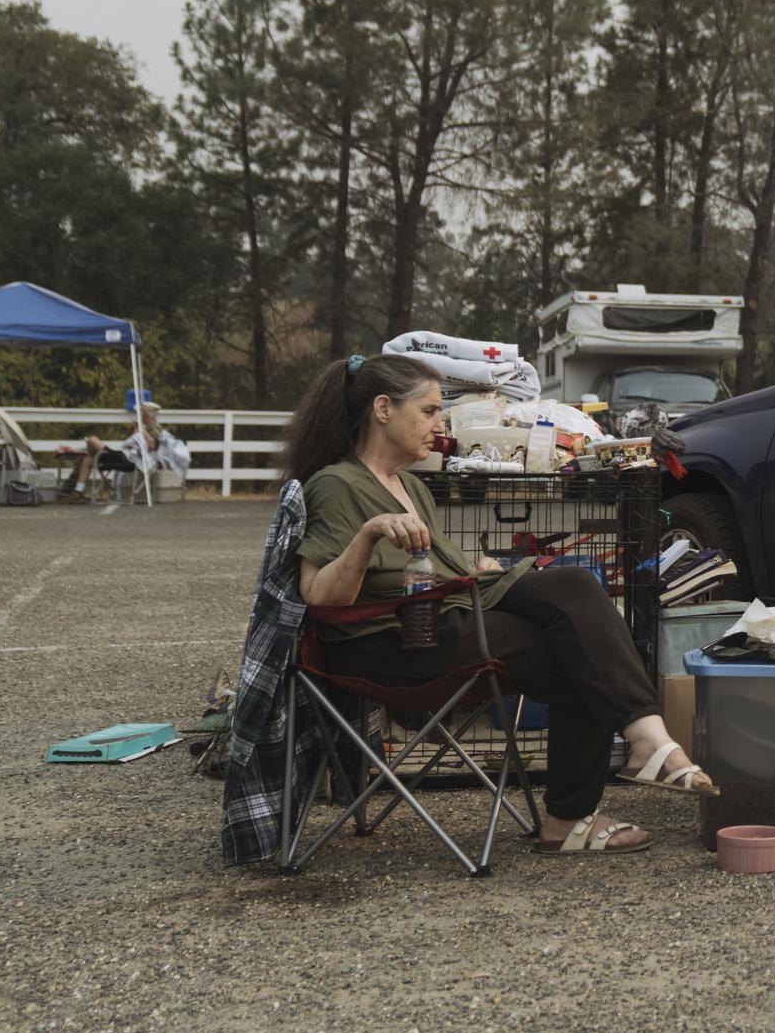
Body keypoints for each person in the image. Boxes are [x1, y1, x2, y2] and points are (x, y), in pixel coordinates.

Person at [284, 352, 715, 855]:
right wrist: (366, 537)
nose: (438, 423)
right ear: (383, 409)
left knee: (580, 634)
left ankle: (584, 806)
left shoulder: (411, 487)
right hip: (387, 643)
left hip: (442, 620)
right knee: (578, 613)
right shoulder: (335, 484)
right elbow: (317, 599)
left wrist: (477, 572)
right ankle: (637, 753)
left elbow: (438, 573)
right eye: (427, 411)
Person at [62, 402, 189, 498]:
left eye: (141, 411)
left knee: (92, 440)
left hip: (128, 459)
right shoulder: (145, 426)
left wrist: (142, 432)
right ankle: (78, 491)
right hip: (124, 457)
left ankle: (78, 466)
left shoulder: (154, 428)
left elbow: (153, 446)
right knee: (88, 459)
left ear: (146, 413)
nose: (138, 414)